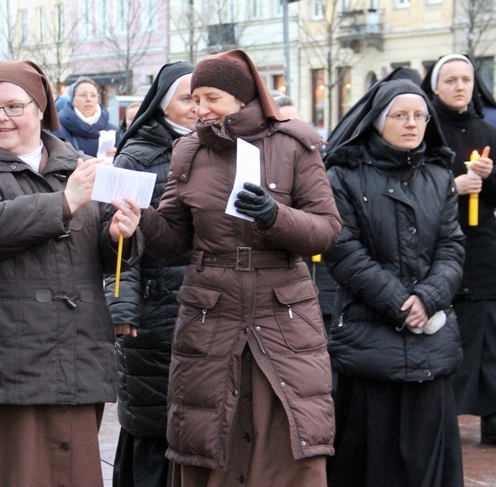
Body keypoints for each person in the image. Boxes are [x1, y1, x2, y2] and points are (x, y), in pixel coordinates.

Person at [137, 49, 341, 486]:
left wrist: (274, 215)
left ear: (241, 98)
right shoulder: (188, 152)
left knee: (288, 437)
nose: (200, 108)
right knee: (209, 437)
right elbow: (173, 239)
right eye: (195, 99)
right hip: (211, 312)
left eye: (211, 97)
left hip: (282, 312)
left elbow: (327, 230)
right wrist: (139, 219)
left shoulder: (293, 145)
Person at [0, 59, 142, 486]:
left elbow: (106, 255)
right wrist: (63, 204)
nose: (1, 118)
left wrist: (119, 234)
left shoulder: (82, 167)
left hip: (74, 350)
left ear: (39, 109)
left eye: (14, 107)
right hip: (3, 355)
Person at [324, 79, 465, 486]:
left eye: (419, 116)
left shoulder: (439, 176)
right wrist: (402, 303)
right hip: (371, 341)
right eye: (400, 116)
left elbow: (452, 247)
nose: (412, 124)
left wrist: (429, 296)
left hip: (431, 342)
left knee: (429, 463)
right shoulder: (344, 175)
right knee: (371, 461)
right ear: (378, 120)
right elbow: (344, 251)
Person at [105, 61, 196, 487]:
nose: (197, 107)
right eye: (186, 98)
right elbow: (119, 239)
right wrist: (124, 307)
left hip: (208, 302)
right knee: (154, 417)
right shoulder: (138, 155)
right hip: (157, 307)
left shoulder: (224, 148)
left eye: (203, 98)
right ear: (163, 104)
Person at [420, 54, 496, 444]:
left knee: (490, 341)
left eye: (466, 79)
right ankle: (441, 422)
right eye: (450, 80)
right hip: (435, 250)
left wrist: (489, 176)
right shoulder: (425, 129)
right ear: (435, 86)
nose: (460, 87)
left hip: (482, 248)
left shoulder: (486, 130)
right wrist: (455, 186)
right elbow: (412, 185)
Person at [54, 76, 118, 157]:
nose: (88, 99)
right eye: (83, 95)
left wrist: (118, 156)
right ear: (73, 99)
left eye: (93, 95)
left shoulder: (113, 131)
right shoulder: (57, 130)